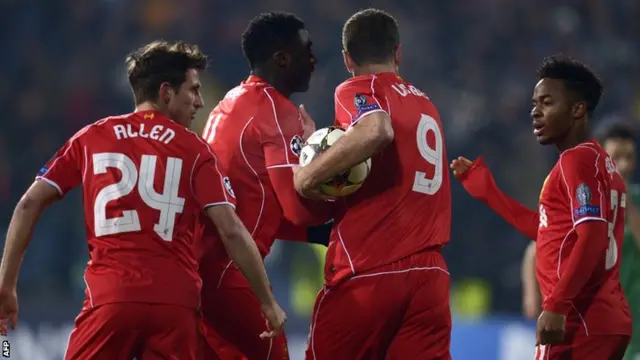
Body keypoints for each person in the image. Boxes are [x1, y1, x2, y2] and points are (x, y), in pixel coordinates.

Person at [0, 40, 285, 360]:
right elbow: (230, 229)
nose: (199, 102)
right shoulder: (195, 150)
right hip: (174, 308)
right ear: (166, 92)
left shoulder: (91, 137)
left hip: (110, 301)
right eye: (192, 90)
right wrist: (266, 301)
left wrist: (6, 284)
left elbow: (28, 203)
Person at [293, 9, 452, 360]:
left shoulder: (359, 88)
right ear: (398, 53)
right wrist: (320, 145)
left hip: (371, 271)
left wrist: (307, 174)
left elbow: (377, 129)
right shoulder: (426, 104)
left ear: (347, 58)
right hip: (429, 276)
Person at [451, 55, 632, 359]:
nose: (535, 112)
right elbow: (548, 231)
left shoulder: (576, 161)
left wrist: (556, 306)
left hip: (579, 319)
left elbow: (593, 236)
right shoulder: (601, 163)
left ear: (577, 109)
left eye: (547, 103)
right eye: (535, 103)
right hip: (602, 318)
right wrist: (489, 193)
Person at [199, 12, 333, 360]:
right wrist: (321, 167)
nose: (314, 60)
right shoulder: (278, 112)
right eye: (307, 50)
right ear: (283, 58)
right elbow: (295, 208)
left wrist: (317, 235)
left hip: (200, 269)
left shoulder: (227, 105)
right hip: (236, 272)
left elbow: (251, 206)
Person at [597, 124, 640, 360]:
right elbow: (537, 249)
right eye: (616, 158)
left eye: (629, 157)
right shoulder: (582, 203)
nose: (623, 165)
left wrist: (628, 205)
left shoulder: (639, 201)